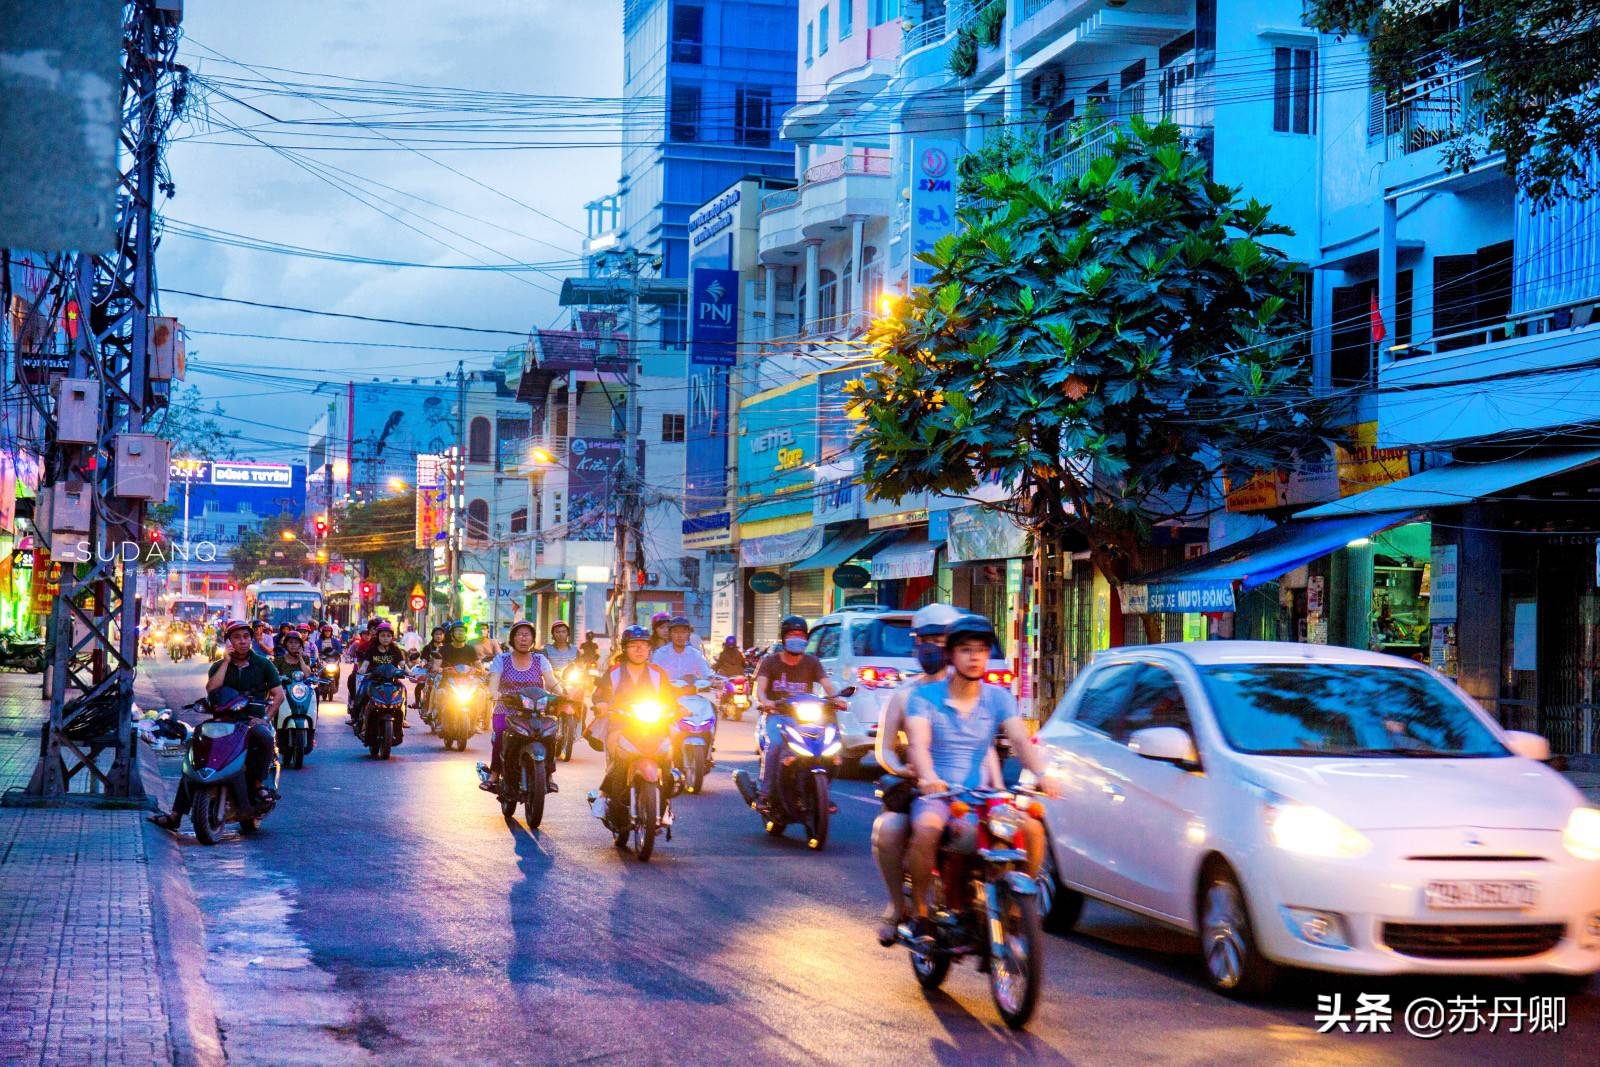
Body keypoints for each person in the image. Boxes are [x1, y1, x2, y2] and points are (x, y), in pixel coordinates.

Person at [903, 614, 1056, 943]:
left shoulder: (998, 697)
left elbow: (1019, 740)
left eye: (982, 650)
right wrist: (929, 778)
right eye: (966, 650)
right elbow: (919, 745)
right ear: (951, 655)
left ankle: (1017, 912)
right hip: (941, 796)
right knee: (928, 830)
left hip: (985, 797)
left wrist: (1042, 774)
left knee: (1032, 830)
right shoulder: (924, 698)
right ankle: (920, 914)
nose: (975, 657)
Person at [871, 603, 963, 945]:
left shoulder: (974, 691)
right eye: (927, 640)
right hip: (921, 789)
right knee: (890, 830)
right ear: (916, 644)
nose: (934, 647)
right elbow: (884, 748)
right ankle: (900, 908)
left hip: (967, 789)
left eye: (942, 640)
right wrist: (902, 769)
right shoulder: (903, 693)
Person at [150, 621, 284, 830]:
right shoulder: (218, 666)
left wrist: (265, 718)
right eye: (237, 637)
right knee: (196, 752)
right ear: (229, 641)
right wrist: (225, 662)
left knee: (264, 737)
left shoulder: (264, 664)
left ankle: (257, 785)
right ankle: (176, 815)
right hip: (223, 720)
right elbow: (212, 689)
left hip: (250, 721)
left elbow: (278, 695)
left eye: (246, 637)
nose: (242, 641)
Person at [752, 616, 842, 810]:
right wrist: (766, 702)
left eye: (800, 635)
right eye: (792, 634)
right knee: (775, 745)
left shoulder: (812, 662)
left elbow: (827, 685)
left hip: (804, 718)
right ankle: (765, 794)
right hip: (777, 716)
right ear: (783, 638)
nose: (796, 638)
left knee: (831, 748)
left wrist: (836, 699)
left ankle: (821, 792)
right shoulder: (770, 662)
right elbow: (760, 689)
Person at [587, 625, 674, 820]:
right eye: (634, 645)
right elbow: (600, 693)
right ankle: (604, 796)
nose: (639, 649)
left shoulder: (657, 673)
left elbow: (669, 698)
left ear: (649, 648)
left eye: (643, 645)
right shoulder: (614, 671)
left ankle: (665, 803)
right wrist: (601, 703)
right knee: (619, 757)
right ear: (625, 648)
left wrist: (677, 708)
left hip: (653, 724)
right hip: (621, 723)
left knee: (668, 756)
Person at [481, 621, 557, 791]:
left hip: (535, 711)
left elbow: (551, 682)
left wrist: (564, 692)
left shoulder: (540, 659)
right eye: (519, 634)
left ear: (532, 639)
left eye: (527, 634)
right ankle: (494, 774)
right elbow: (494, 681)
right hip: (506, 710)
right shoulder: (502, 659)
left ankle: (549, 774)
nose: (523, 638)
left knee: (549, 734)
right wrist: (494, 693)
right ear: (513, 638)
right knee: (501, 735)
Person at [354, 623, 408, 736]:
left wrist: (409, 671)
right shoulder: (371, 650)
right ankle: (359, 720)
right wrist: (362, 670)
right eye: (383, 635)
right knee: (361, 693)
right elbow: (365, 664)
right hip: (373, 680)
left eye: (388, 636)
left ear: (392, 637)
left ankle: (403, 718)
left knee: (403, 690)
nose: (385, 638)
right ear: (377, 636)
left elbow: (403, 665)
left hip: (391, 681)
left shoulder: (395, 650)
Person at [651, 615, 711, 682]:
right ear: (670, 634)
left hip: (691, 691)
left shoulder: (695, 654)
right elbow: (654, 678)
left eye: (683, 632)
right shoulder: (660, 654)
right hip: (667, 691)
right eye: (676, 632)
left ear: (688, 634)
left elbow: (706, 675)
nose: (679, 636)